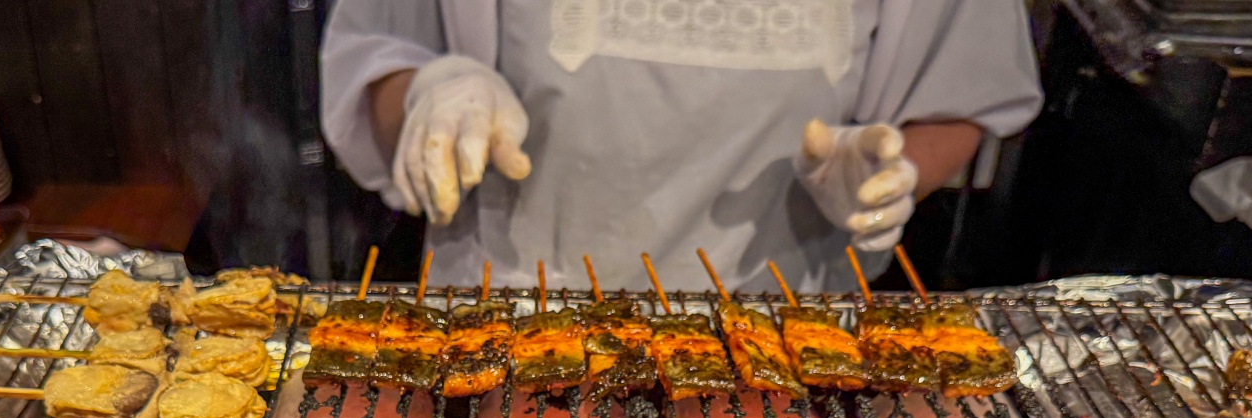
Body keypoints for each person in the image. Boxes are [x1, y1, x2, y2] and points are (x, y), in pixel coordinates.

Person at [321, 1, 1043, 293]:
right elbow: (375, 58)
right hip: (507, 312)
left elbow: (962, 86)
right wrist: (432, 94)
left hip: (781, 329)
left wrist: (890, 173)